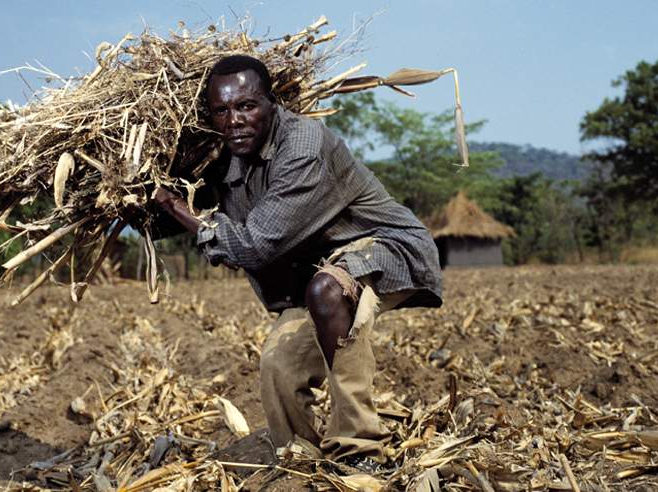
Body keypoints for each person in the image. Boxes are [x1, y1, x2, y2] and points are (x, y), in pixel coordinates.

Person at [152, 55, 442, 470]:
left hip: (385, 248)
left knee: (328, 290)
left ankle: (360, 451)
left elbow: (252, 246)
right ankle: (297, 458)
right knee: (278, 361)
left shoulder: (303, 147)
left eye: (247, 106)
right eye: (221, 110)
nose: (234, 120)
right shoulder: (230, 155)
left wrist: (178, 206)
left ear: (272, 102)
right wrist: (135, 195)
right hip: (317, 269)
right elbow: (179, 219)